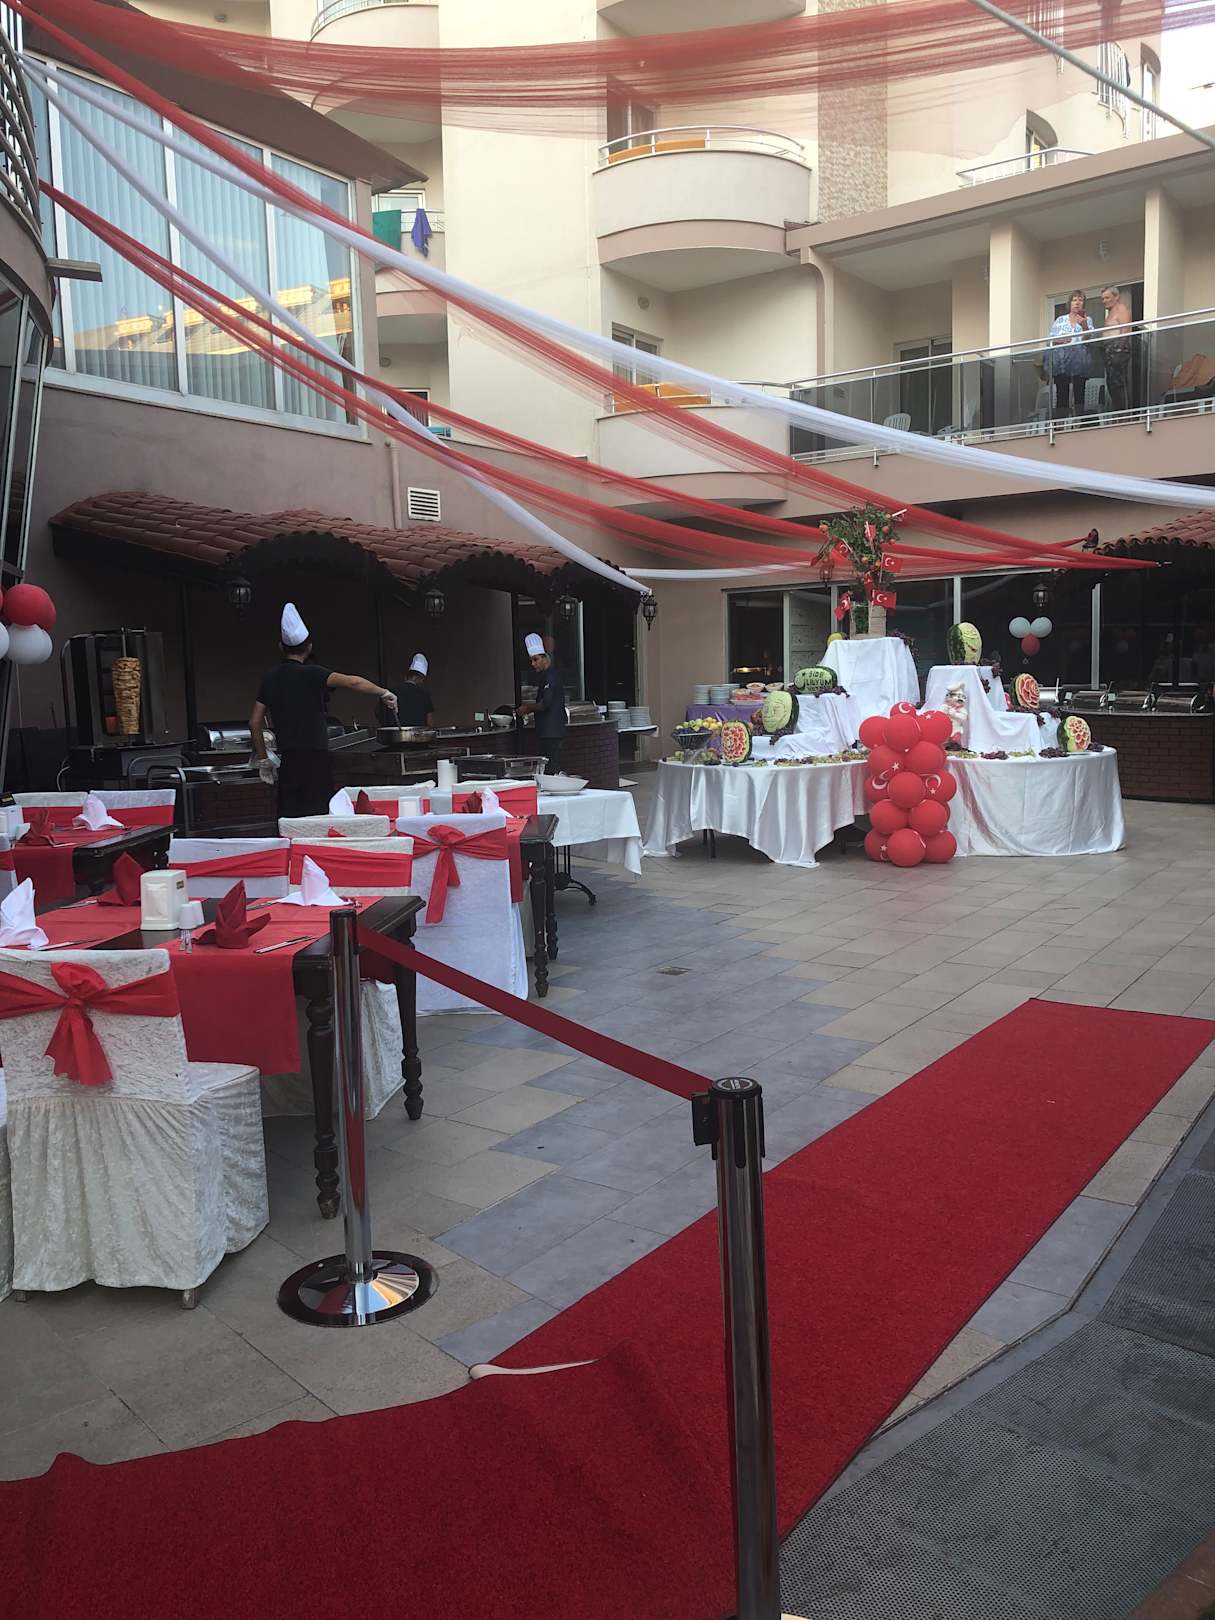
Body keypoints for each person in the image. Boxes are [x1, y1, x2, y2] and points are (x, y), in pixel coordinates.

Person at [250, 602, 398, 818]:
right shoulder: (314, 673)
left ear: (281, 647)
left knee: (290, 819)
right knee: (318, 817)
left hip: (289, 760)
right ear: (309, 647)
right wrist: (383, 692)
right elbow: (353, 682)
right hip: (316, 758)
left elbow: (254, 723)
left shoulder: (269, 679)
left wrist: (264, 761)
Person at [516, 631, 566, 773]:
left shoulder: (551, 676)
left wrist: (527, 708)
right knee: (546, 766)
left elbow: (546, 703)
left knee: (550, 767)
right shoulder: (546, 676)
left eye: (535, 659)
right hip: (547, 731)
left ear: (545, 658)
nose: (533, 664)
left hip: (552, 731)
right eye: (532, 660)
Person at [1045, 290, 1094, 419]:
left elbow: (1089, 340)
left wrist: (1084, 326)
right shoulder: (1060, 320)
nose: (1077, 303)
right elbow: (1049, 341)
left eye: (1080, 300)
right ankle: (1060, 424)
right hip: (1061, 363)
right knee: (1061, 393)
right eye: (1074, 300)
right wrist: (1061, 340)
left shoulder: (1087, 320)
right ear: (1070, 303)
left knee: (1079, 392)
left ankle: (1079, 422)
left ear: (1084, 303)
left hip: (1079, 363)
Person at [1100, 284, 1135, 413]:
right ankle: (1117, 413)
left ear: (1116, 297)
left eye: (1107, 297)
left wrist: (1119, 349)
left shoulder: (1121, 309)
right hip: (1108, 352)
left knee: (1119, 383)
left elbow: (1126, 329)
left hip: (1118, 350)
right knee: (1112, 385)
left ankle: (1124, 414)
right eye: (1103, 298)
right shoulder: (1109, 314)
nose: (1104, 301)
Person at [377, 652, 434, 727]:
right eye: (422, 679)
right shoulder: (424, 694)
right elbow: (429, 722)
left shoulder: (392, 691)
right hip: (418, 733)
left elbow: (378, 713)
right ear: (419, 678)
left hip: (393, 732)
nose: (422, 682)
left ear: (406, 676)